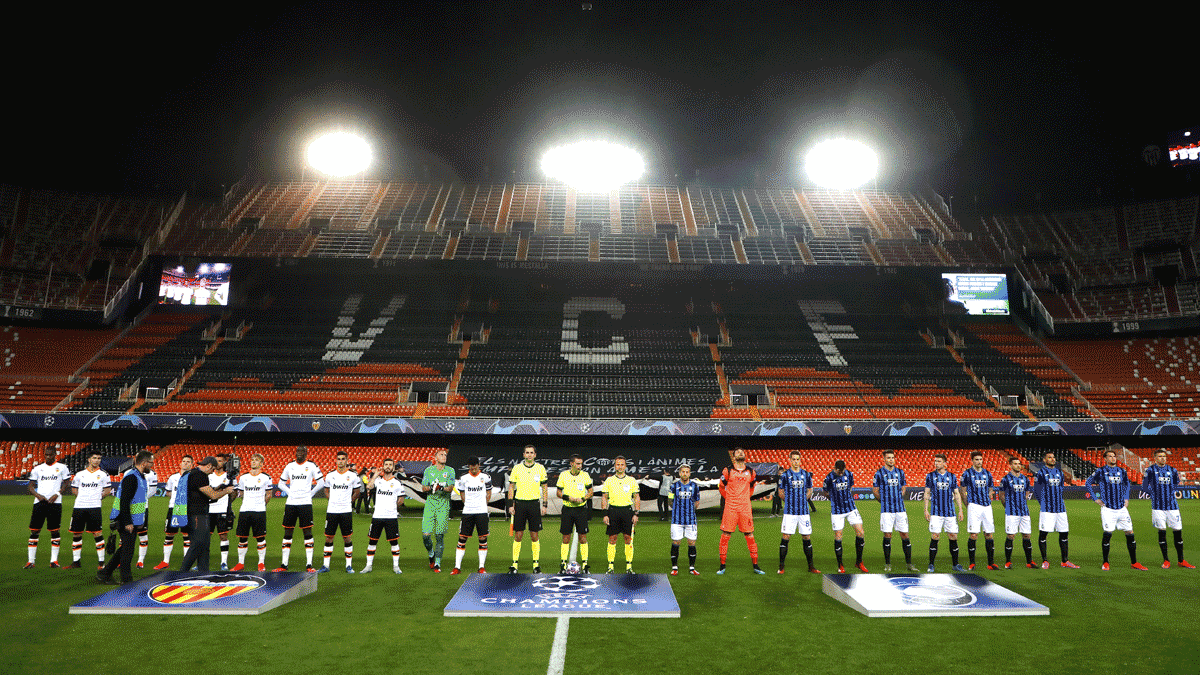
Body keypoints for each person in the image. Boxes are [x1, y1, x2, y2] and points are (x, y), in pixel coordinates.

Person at [96, 451, 154, 585]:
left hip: (132, 519)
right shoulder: (132, 477)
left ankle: (105, 573)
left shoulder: (139, 476)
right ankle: (126, 580)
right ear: (144, 463)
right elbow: (124, 501)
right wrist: (128, 521)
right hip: (126, 519)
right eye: (151, 463)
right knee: (128, 550)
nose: (152, 466)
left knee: (125, 548)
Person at [1085, 449, 1147, 571]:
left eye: (1114, 456)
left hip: (1122, 509)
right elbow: (1088, 483)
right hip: (1108, 509)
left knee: (1130, 532)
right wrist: (1095, 498)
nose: (1113, 458)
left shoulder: (1121, 471)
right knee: (1108, 534)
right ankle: (1105, 562)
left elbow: (1127, 484)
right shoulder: (1101, 471)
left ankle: (1134, 562)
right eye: (1110, 456)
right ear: (1105, 459)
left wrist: (1126, 498)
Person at [178, 457, 237, 572]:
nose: (212, 472)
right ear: (209, 466)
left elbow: (202, 492)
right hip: (196, 514)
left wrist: (217, 488)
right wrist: (226, 491)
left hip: (199, 513)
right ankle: (182, 571)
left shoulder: (194, 473)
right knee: (198, 543)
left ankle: (203, 571)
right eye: (213, 469)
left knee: (205, 544)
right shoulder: (199, 475)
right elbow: (213, 496)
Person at [275, 446, 323, 572]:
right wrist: (290, 492)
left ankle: (309, 565)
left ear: (306, 453)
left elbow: (321, 482)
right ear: (295, 453)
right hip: (291, 503)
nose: (300, 453)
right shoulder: (290, 466)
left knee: (307, 532)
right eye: (298, 451)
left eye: (302, 452)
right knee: (288, 533)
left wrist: (310, 494)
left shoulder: (311, 466)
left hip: (305, 503)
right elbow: (281, 483)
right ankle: (284, 564)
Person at [1142, 449, 1193, 569]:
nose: (1163, 458)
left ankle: (1181, 560)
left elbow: (1176, 483)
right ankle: (1166, 560)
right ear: (1155, 458)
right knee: (1162, 532)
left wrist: (1171, 492)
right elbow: (1144, 486)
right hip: (1158, 507)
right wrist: (1154, 494)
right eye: (1160, 456)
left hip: (1173, 506)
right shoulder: (1150, 470)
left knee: (1177, 531)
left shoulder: (1172, 470)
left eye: (1164, 456)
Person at [717, 447, 764, 574]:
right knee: (725, 535)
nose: (740, 453)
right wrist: (730, 499)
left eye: (742, 452)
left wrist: (745, 498)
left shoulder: (751, 472)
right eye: (738, 452)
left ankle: (755, 566)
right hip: (731, 508)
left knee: (750, 535)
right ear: (733, 456)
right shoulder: (728, 470)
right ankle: (722, 566)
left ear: (745, 455)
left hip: (745, 508)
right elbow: (721, 487)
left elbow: (752, 486)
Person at [26, 447, 71, 569]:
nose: (48, 457)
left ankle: (54, 561)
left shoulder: (62, 467)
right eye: (46, 455)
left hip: (55, 503)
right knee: (34, 531)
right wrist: (38, 495)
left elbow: (67, 482)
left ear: (55, 455)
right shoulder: (38, 469)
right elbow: (30, 486)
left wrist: (58, 493)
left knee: (54, 531)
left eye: (50, 455)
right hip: (40, 503)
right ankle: (31, 561)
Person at [872, 449, 916, 572]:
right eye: (889, 458)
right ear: (884, 459)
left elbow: (903, 487)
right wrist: (884, 501)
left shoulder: (900, 472)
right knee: (888, 535)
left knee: (905, 535)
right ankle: (887, 563)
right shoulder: (879, 473)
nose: (891, 460)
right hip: (886, 510)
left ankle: (909, 564)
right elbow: (875, 490)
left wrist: (900, 496)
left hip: (900, 509)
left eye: (892, 457)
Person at [1033, 451, 1078, 569]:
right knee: (1044, 533)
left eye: (1053, 457)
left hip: (1060, 508)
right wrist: (1043, 503)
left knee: (1064, 533)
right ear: (1044, 460)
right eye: (1049, 457)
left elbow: (1061, 487)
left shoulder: (1059, 472)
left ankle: (1065, 561)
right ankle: (1045, 560)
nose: (1053, 459)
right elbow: (1037, 490)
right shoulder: (1040, 472)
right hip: (1047, 509)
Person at [507, 444, 548, 573]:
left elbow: (545, 488)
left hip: (534, 505)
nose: (529, 455)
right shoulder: (517, 468)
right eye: (527, 453)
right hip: (520, 505)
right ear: (523, 455)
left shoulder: (540, 468)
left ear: (535, 455)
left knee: (534, 535)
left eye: (531, 453)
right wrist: (510, 505)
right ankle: (514, 564)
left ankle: (536, 565)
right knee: (518, 535)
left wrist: (545, 505)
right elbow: (511, 487)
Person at [452, 457, 496, 575]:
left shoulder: (486, 477)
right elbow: (462, 492)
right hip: (468, 512)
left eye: (475, 465)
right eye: (471, 465)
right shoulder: (463, 478)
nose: (473, 467)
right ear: (468, 466)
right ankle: (457, 567)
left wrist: (483, 504)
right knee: (462, 538)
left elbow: (489, 492)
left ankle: (481, 567)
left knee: (482, 539)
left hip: (481, 512)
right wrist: (467, 503)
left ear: (479, 465)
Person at [67, 451, 111, 570]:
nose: (97, 460)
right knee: (77, 533)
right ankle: (76, 561)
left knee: (97, 533)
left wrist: (97, 498)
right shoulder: (80, 474)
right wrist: (83, 498)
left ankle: (101, 562)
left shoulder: (103, 474)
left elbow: (107, 490)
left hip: (94, 507)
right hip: (79, 507)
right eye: (94, 458)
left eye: (99, 458)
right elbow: (74, 490)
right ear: (89, 459)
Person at [777, 451, 819, 575]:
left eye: (797, 459)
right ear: (790, 460)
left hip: (803, 512)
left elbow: (810, 489)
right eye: (793, 459)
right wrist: (790, 501)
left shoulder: (806, 475)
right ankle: (781, 566)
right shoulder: (785, 475)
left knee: (806, 537)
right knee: (786, 537)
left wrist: (802, 499)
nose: (796, 461)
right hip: (790, 512)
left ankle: (811, 566)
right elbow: (781, 492)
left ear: (800, 460)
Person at [320, 450, 362, 573]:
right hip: (332, 511)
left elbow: (357, 492)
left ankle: (349, 565)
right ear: (336, 460)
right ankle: (325, 565)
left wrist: (349, 502)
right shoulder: (330, 475)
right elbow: (326, 490)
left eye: (343, 459)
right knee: (329, 537)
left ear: (347, 460)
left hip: (346, 511)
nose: (341, 461)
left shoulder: (353, 476)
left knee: (347, 538)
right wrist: (331, 500)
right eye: (339, 459)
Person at [824, 459, 868, 573]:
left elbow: (850, 487)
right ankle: (840, 565)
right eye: (839, 472)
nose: (841, 473)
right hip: (837, 511)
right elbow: (825, 491)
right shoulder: (829, 477)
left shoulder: (849, 474)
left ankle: (859, 562)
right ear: (835, 468)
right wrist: (833, 500)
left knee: (860, 532)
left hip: (851, 508)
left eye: (842, 471)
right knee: (838, 536)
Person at [363, 459, 405, 574]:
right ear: (383, 467)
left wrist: (392, 507)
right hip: (377, 516)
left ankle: (396, 566)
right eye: (386, 465)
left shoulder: (397, 482)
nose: (388, 466)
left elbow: (401, 499)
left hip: (391, 517)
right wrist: (375, 475)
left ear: (393, 468)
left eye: (390, 465)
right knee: (372, 541)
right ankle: (368, 566)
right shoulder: (378, 481)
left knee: (394, 542)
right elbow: (369, 487)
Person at [924, 454, 965, 572]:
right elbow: (927, 493)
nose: (936, 463)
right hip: (936, 512)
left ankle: (955, 564)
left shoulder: (952, 476)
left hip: (950, 512)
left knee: (953, 537)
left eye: (939, 461)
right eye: (935, 461)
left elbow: (957, 494)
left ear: (945, 463)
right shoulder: (930, 476)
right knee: (935, 536)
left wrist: (960, 510)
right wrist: (926, 509)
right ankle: (931, 564)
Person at [232, 453, 272, 572]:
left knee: (260, 538)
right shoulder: (244, 477)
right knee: (242, 538)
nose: (253, 461)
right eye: (252, 460)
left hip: (259, 511)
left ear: (261, 463)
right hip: (245, 510)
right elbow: (241, 493)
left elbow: (268, 494)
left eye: (256, 460)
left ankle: (261, 563)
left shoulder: (266, 477)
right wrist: (248, 502)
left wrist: (260, 504)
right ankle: (240, 563)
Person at [960, 451, 999, 571]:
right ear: (972, 461)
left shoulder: (987, 473)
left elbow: (991, 487)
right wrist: (968, 505)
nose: (979, 461)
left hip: (987, 507)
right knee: (974, 534)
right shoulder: (967, 473)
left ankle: (991, 563)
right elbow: (962, 490)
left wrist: (989, 496)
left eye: (980, 459)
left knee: (989, 534)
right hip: (974, 506)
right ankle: (972, 563)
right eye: (976, 459)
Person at [601, 456, 640, 573]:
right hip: (613, 511)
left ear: (625, 466)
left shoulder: (631, 480)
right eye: (618, 464)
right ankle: (610, 566)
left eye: (622, 464)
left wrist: (636, 513)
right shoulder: (609, 480)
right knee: (612, 538)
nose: (620, 467)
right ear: (614, 466)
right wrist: (605, 514)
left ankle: (629, 567)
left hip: (627, 512)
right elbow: (604, 497)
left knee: (628, 539)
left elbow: (636, 497)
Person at [154, 455, 193, 570]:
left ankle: (186, 562)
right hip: (173, 508)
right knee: (169, 534)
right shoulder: (173, 477)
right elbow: (168, 492)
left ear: (191, 464)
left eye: (188, 462)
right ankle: (165, 561)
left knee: (186, 536)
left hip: (186, 509)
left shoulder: (192, 477)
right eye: (184, 461)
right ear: (180, 463)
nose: (185, 463)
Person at [556, 454, 593, 573]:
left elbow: (591, 492)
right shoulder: (563, 475)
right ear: (571, 463)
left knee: (583, 537)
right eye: (577, 463)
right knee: (566, 537)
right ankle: (562, 564)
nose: (580, 466)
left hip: (581, 510)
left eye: (581, 464)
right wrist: (568, 497)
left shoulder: (585, 475)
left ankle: (585, 564)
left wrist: (583, 498)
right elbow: (558, 492)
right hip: (567, 510)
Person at [997, 457, 1035, 569]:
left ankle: (1029, 562)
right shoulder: (1005, 479)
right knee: (1011, 536)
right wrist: (1007, 506)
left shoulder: (1025, 479)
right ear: (1010, 465)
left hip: (1024, 512)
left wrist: (1024, 499)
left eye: (1019, 464)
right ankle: (1008, 562)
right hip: (1011, 512)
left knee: (1027, 535)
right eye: (1015, 464)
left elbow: (1027, 490)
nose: (1018, 465)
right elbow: (1001, 495)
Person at [421, 449, 455, 572]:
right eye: (441, 454)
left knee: (439, 535)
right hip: (430, 506)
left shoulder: (450, 471)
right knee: (425, 535)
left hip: (443, 506)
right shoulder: (429, 471)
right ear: (435, 458)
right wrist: (431, 487)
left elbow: (450, 488)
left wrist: (440, 487)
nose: (444, 456)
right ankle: (431, 554)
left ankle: (438, 563)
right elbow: (423, 487)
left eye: (445, 455)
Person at [668, 463, 702, 575]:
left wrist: (690, 511)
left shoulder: (695, 486)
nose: (685, 474)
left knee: (691, 542)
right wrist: (677, 509)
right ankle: (674, 567)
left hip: (691, 520)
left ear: (690, 473)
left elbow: (697, 502)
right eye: (683, 472)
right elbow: (670, 501)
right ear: (679, 473)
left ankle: (692, 568)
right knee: (676, 542)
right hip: (677, 520)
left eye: (687, 472)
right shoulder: (673, 486)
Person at [207, 454, 236, 570]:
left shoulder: (230, 476)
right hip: (208, 510)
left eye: (220, 461)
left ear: (225, 463)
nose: (218, 463)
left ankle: (224, 562)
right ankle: (202, 562)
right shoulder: (209, 475)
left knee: (223, 536)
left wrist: (228, 502)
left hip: (222, 510)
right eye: (216, 461)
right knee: (205, 537)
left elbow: (234, 493)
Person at [135, 462, 159, 569]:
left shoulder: (152, 474)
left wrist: (140, 498)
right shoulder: (128, 472)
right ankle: (121, 559)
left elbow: (153, 491)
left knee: (142, 533)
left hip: (142, 507)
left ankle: (140, 560)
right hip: (129, 508)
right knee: (125, 535)